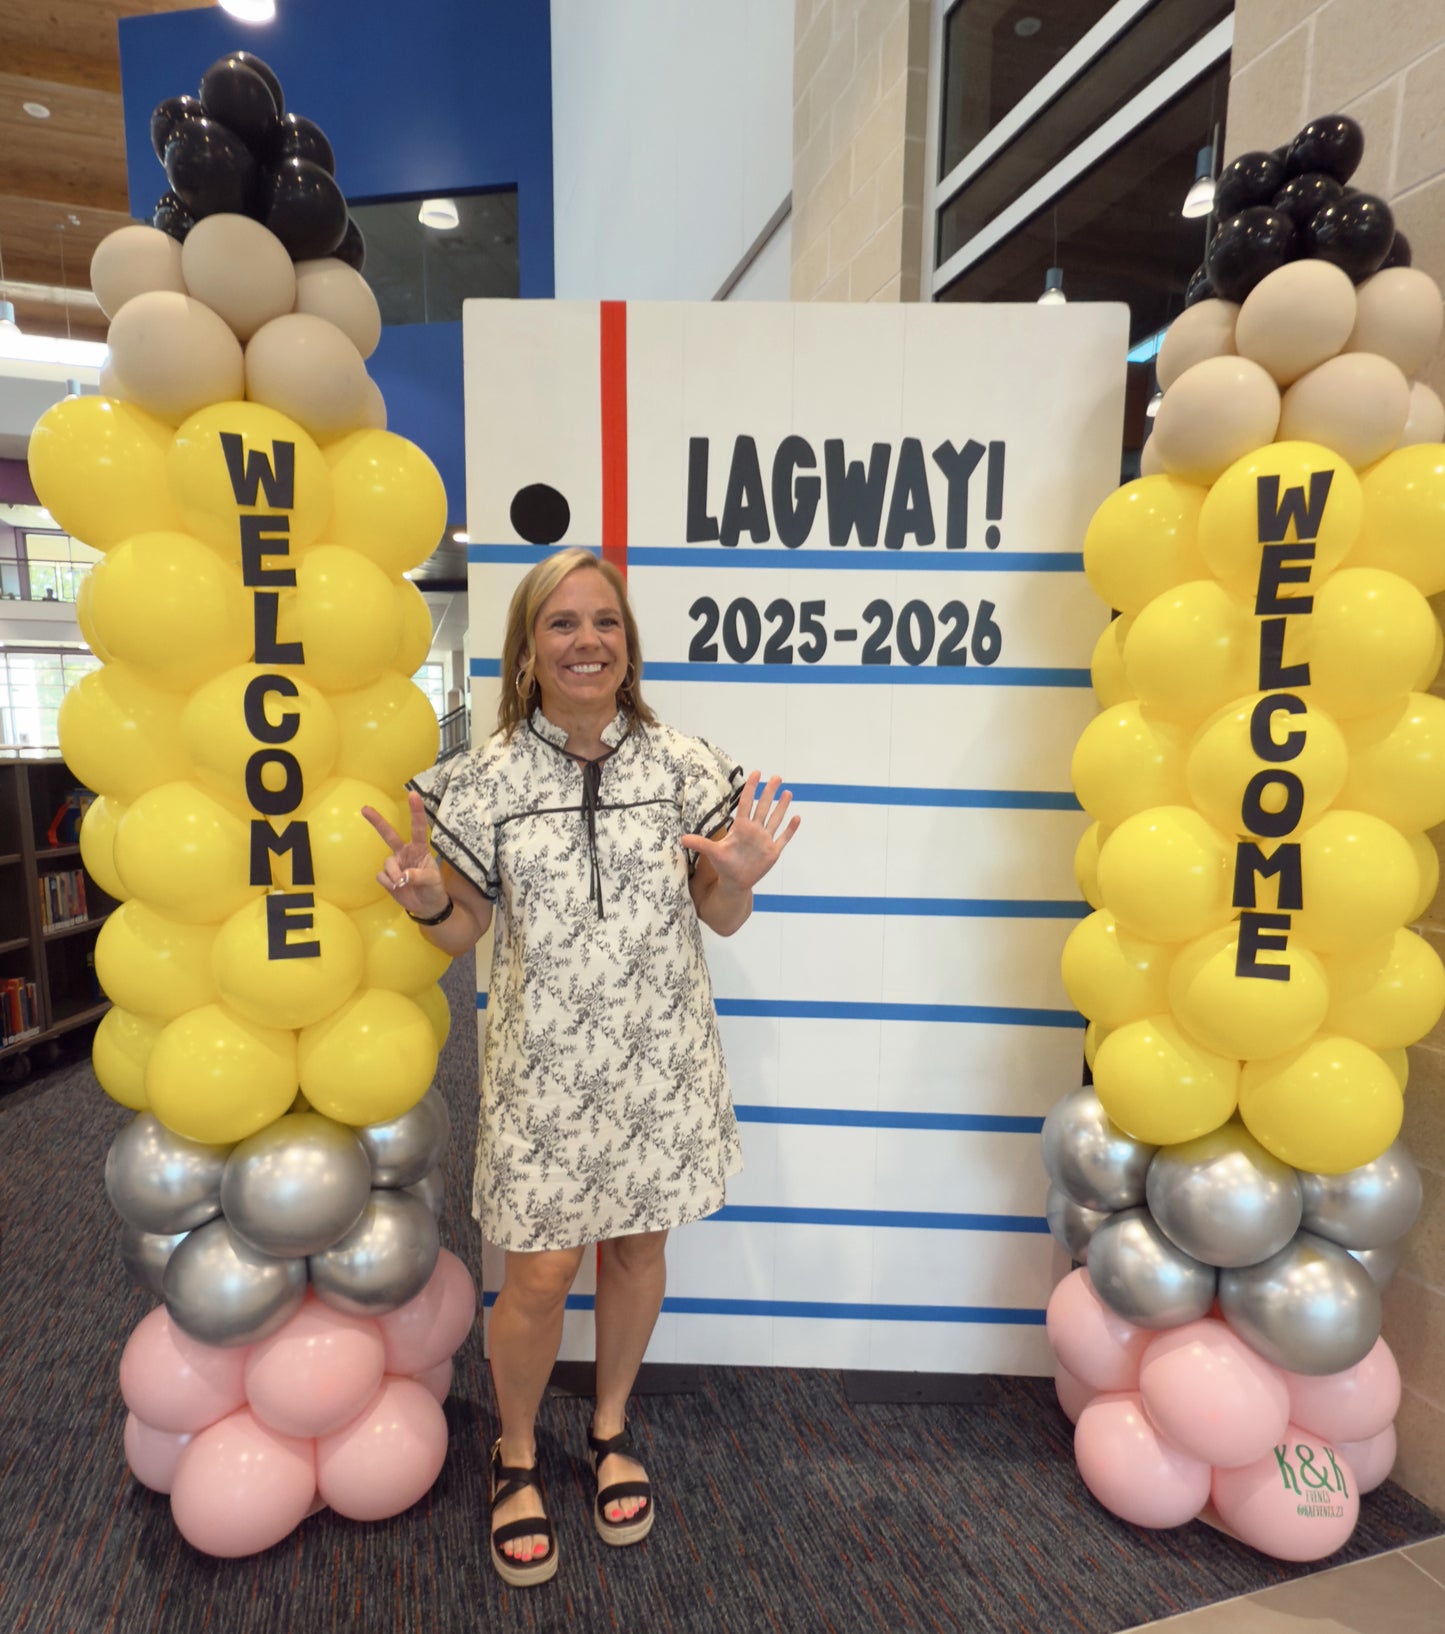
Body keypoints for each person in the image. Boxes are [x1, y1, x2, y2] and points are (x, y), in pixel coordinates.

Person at [362, 547, 799, 1587]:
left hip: (659, 1059)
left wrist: (736, 878)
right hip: (541, 1069)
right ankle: (515, 1452)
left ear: (628, 644)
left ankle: (608, 1427)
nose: (587, 640)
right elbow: (458, 931)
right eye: (562, 623)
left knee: (637, 1252)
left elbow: (716, 911)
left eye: (604, 621)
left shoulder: (686, 764)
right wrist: (426, 895)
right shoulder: (483, 780)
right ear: (526, 648)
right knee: (541, 1273)